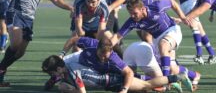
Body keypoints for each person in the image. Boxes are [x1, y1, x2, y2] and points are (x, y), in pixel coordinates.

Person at [0, 0, 73, 87]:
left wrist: (70, 7)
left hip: (29, 18)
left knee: (20, 52)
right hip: (15, 13)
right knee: (15, 44)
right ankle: (1, 70)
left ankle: (1, 68)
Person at [109, 0, 201, 91]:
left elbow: (172, 2)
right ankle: (194, 75)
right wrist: (105, 47)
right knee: (172, 69)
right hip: (158, 40)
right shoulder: (132, 21)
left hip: (172, 31)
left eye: (135, 13)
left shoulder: (156, 6)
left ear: (143, 9)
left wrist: (182, 17)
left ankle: (166, 81)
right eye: (130, 13)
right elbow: (117, 36)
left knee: (163, 46)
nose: (132, 16)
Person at [42, 40, 193, 93]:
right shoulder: (70, 66)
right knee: (145, 86)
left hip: (113, 81)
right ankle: (173, 81)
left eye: (53, 74)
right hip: (109, 81)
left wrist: (70, 90)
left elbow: (82, 92)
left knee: (146, 85)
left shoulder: (73, 70)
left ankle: (177, 78)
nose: (54, 76)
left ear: (59, 68)